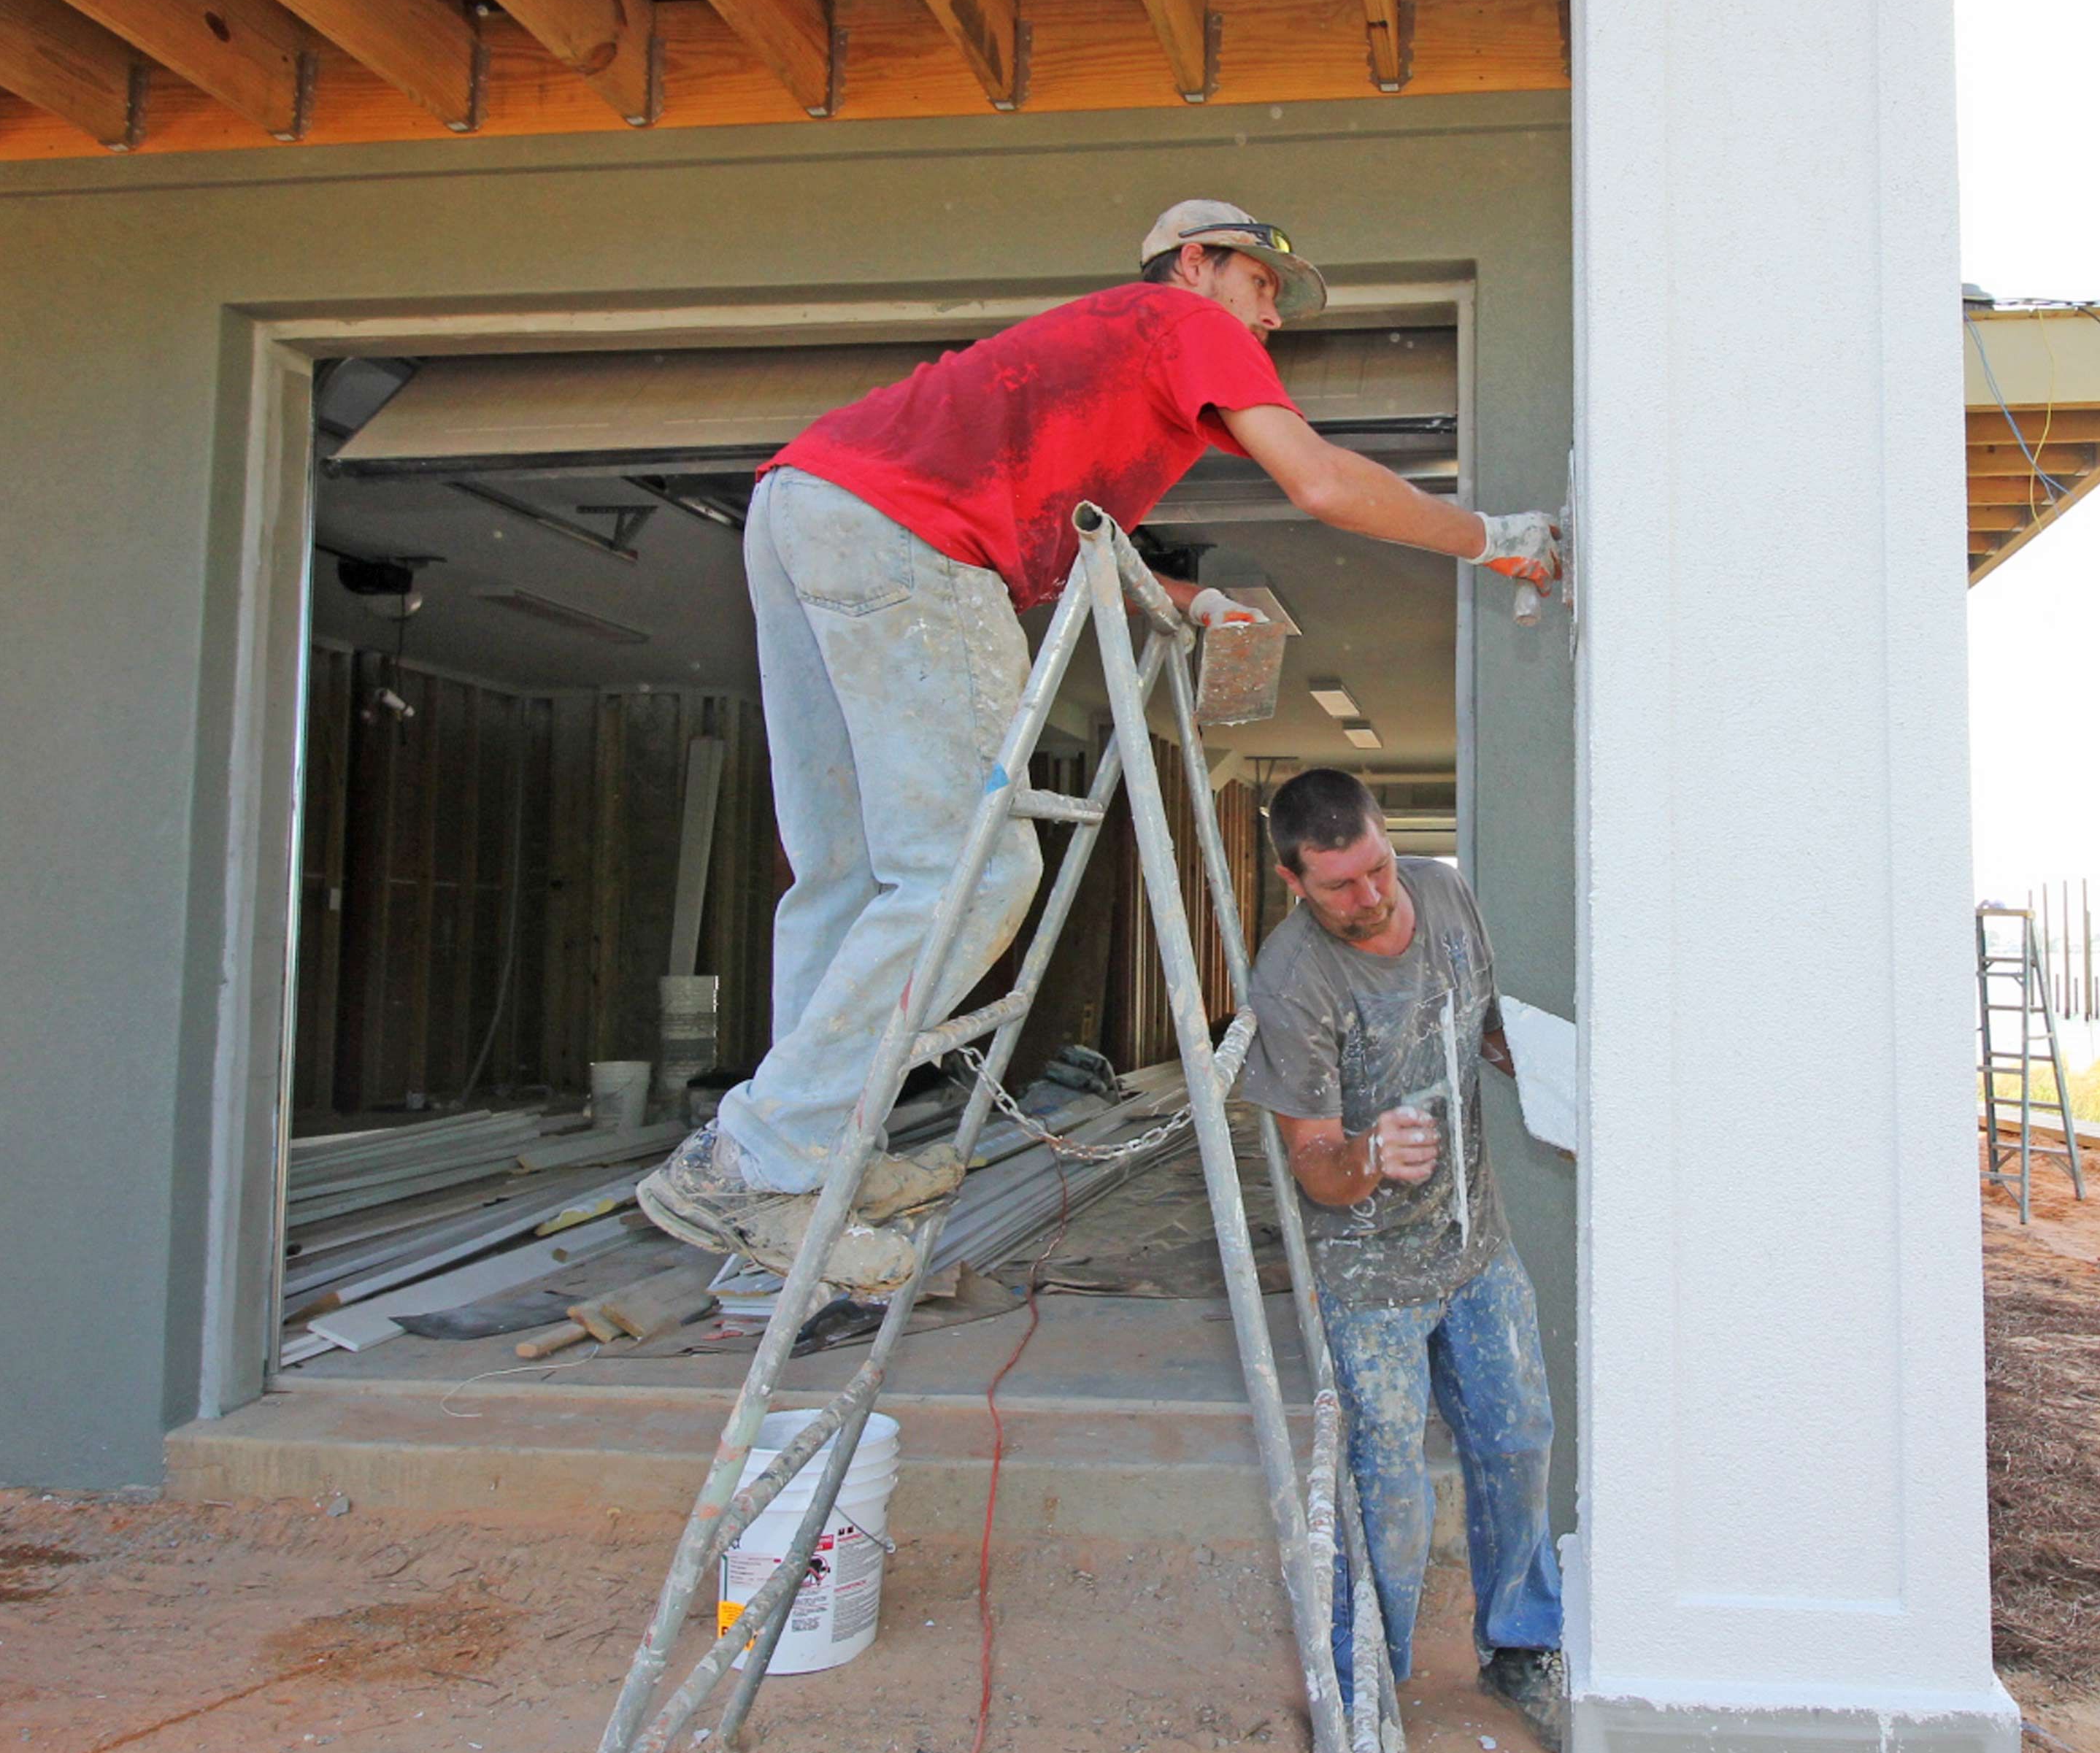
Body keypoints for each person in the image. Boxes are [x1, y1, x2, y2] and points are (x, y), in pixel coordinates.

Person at [637, 201, 1561, 1295]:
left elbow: (1071, 553)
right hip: (908, 534)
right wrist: (1496, 543)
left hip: (807, 505)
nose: (1272, 319)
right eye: (1262, 287)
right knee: (976, 872)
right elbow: (1318, 482)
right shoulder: (1180, 323)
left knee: (845, 882)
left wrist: (1193, 597)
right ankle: (756, 1160)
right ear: (1195, 264)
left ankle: (810, 1159)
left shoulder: (1101, 375)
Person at [1234, 768, 1567, 1753]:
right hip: (1368, 1274)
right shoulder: (1293, 982)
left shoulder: (1445, 888)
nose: (1371, 896)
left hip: (1476, 1247)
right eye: (1338, 885)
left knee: (1517, 1441)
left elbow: (1484, 1015)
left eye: (1376, 867)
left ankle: (1520, 1650)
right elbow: (1312, 1164)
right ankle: (1366, 1685)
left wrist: (1545, 1065)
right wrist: (1371, 1157)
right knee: (1389, 1492)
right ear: (1295, 882)